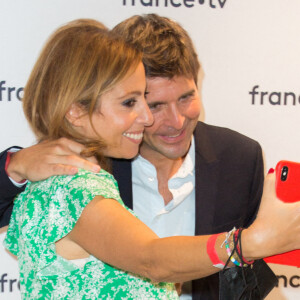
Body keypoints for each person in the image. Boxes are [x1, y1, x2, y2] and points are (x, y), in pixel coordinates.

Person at [1, 14, 300, 299]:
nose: (148, 117)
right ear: (76, 111)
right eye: (136, 102)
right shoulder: (71, 182)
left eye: (186, 97)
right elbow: (151, 259)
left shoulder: (239, 157)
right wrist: (249, 243)